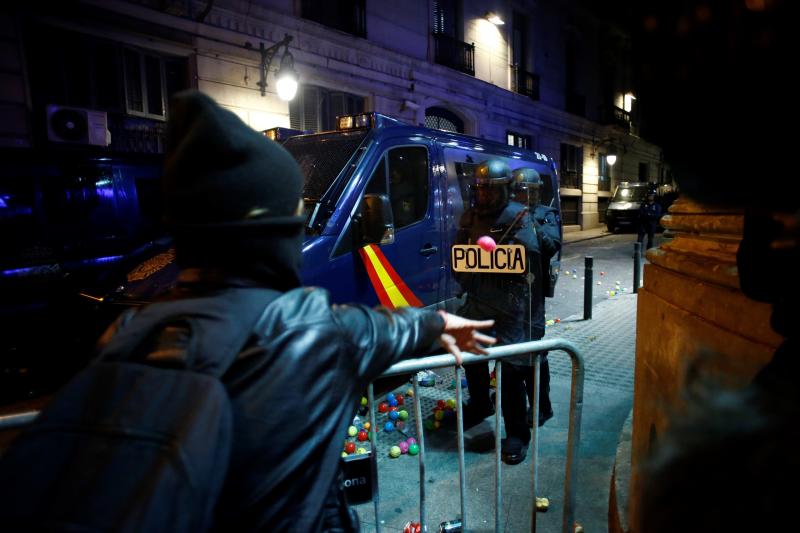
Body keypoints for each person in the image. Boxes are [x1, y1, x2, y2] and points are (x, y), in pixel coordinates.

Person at [97, 91, 496, 532]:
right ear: (277, 233)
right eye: (296, 213)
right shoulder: (309, 332)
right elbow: (383, 329)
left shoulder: (125, 336)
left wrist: (434, 321)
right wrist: (438, 324)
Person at [455, 160, 545, 465]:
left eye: (490, 190)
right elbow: (458, 255)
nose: (484, 195)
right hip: (478, 301)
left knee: (509, 371)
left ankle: (517, 433)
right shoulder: (470, 217)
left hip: (511, 307)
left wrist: (501, 260)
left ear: (504, 189)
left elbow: (531, 257)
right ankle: (480, 404)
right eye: (480, 189)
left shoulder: (519, 216)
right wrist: (470, 273)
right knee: (472, 358)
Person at [509, 168, 561, 430]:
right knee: (512, 357)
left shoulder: (544, 215)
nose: (522, 195)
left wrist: (531, 222)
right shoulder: (507, 213)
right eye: (518, 190)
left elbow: (551, 247)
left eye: (527, 190)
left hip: (532, 297)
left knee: (533, 355)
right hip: (508, 297)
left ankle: (543, 407)